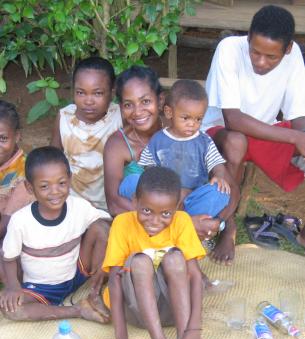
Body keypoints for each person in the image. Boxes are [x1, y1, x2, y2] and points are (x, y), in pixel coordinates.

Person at [202, 5, 305, 257]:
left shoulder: (294, 57)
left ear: (288, 49)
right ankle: (228, 226)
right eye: (255, 52)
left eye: (271, 57)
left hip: (264, 135)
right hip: (220, 134)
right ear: (247, 37)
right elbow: (232, 118)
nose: (260, 62)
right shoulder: (229, 49)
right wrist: (295, 137)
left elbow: (298, 115)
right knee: (237, 141)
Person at [102, 166, 205, 339]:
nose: (154, 221)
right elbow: (114, 282)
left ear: (177, 209)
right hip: (136, 311)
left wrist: (194, 331)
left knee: (175, 258)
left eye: (166, 214)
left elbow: (195, 276)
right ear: (134, 202)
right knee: (140, 262)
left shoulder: (182, 221)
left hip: (173, 311)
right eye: (147, 211)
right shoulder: (122, 223)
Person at [0, 146, 111, 323]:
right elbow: (8, 258)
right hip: (40, 288)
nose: (55, 192)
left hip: (78, 272)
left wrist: (104, 266)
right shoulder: (20, 221)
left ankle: (95, 292)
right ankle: (77, 310)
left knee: (101, 228)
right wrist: (13, 287)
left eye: (61, 183)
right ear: (29, 188)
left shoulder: (79, 207)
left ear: (70, 179)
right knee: (11, 309)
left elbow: (105, 226)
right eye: (44, 186)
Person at [138, 80, 239, 253]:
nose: (192, 124)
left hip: (194, 200)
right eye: (186, 118)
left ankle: (192, 229)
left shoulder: (204, 141)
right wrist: (169, 192)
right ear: (169, 112)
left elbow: (218, 165)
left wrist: (220, 176)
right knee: (135, 185)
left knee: (219, 192)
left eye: (198, 119)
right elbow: (147, 171)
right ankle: (183, 230)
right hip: (166, 201)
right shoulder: (158, 140)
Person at [51, 56, 122, 210]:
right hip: (71, 202)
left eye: (97, 93)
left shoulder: (119, 116)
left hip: (108, 204)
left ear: (112, 93)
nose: (88, 101)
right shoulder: (64, 118)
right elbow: (53, 160)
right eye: (81, 93)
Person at [103, 65, 163, 216]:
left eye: (145, 101)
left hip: (177, 208)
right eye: (129, 105)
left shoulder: (175, 132)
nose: (137, 112)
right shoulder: (118, 144)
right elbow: (114, 203)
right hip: (139, 219)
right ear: (121, 108)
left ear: (160, 100)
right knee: (136, 182)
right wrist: (164, 219)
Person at [0, 100, 33, 280]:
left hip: (18, 239)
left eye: (2, 138)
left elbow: (5, 226)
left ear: (17, 136)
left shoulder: (26, 172)